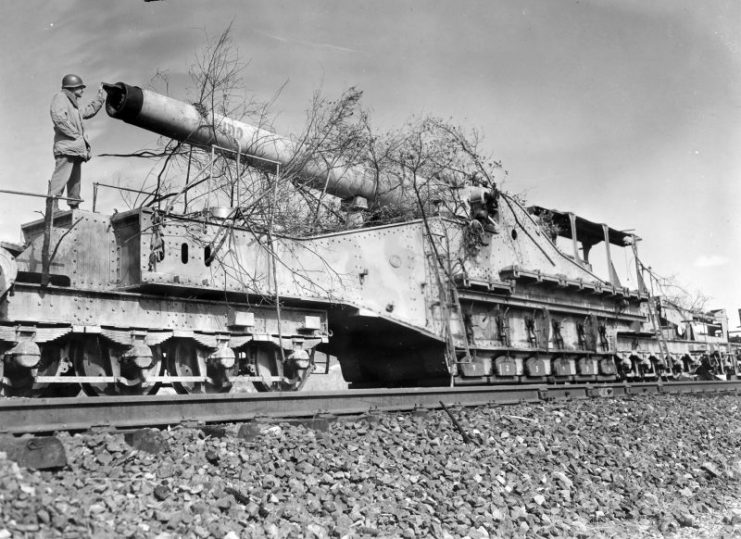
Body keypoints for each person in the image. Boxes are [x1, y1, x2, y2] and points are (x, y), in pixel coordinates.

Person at [48, 74, 106, 210]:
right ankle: (52, 205)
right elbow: (58, 117)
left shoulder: (73, 105)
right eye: (81, 87)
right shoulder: (60, 97)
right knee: (61, 177)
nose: (83, 90)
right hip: (67, 147)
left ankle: (74, 206)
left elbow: (87, 112)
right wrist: (75, 135)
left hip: (75, 148)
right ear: (73, 87)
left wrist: (100, 98)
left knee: (75, 180)